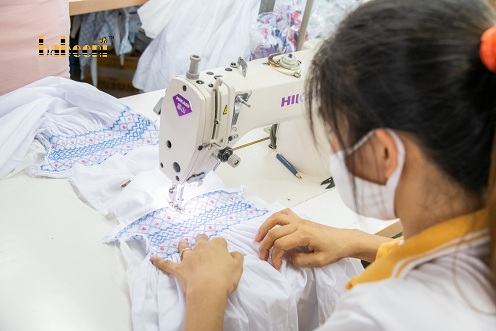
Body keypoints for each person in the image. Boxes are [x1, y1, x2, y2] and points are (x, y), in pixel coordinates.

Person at [151, 0, 496, 329]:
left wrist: (206, 294)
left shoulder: (379, 316)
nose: (331, 144)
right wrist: (358, 241)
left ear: (385, 155)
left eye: (334, 130)